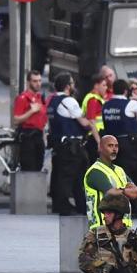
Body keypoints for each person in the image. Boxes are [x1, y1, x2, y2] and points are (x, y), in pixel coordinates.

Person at [48, 73, 100, 215]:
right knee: (73, 178)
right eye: (72, 84)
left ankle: (78, 207)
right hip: (72, 147)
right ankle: (67, 207)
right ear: (67, 86)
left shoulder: (52, 101)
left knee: (68, 177)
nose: (74, 86)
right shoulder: (69, 101)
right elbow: (83, 122)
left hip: (59, 144)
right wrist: (92, 125)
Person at [101, 79, 137, 211]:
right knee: (129, 174)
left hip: (109, 143)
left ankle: (115, 204)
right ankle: (132, 206)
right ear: (125, 91)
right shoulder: (129, 104)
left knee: (114, 174)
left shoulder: (106, 105)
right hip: (127, 144)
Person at [83, 135, 137, 229]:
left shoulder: (119, 170)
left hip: (123, 227)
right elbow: (110, 193)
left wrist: (120, 191)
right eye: (110, 146)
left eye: (116, 146)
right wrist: (126, 191)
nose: (114, 149)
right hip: (102, 228)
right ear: (100, 148)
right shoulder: (95, 171)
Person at [11, 70, 48, 171]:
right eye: (35, 81)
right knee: (29, 169)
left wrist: (44, 136)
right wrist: (31, 111)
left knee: (38, 167)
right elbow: (16, 120)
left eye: (40, 81)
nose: (38, 84)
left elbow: (43, 120)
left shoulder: (40, 98)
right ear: (28, 82)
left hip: (39, 136)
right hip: (28, 137)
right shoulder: (22, 98)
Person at [81, 72, 108, 161]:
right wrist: (99, 142)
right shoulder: (93, 100)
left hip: (96, 136)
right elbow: (92, 121)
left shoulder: (96, 98)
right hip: (95, 136)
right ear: (96, 86)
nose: (106, 88)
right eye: (104, 85)